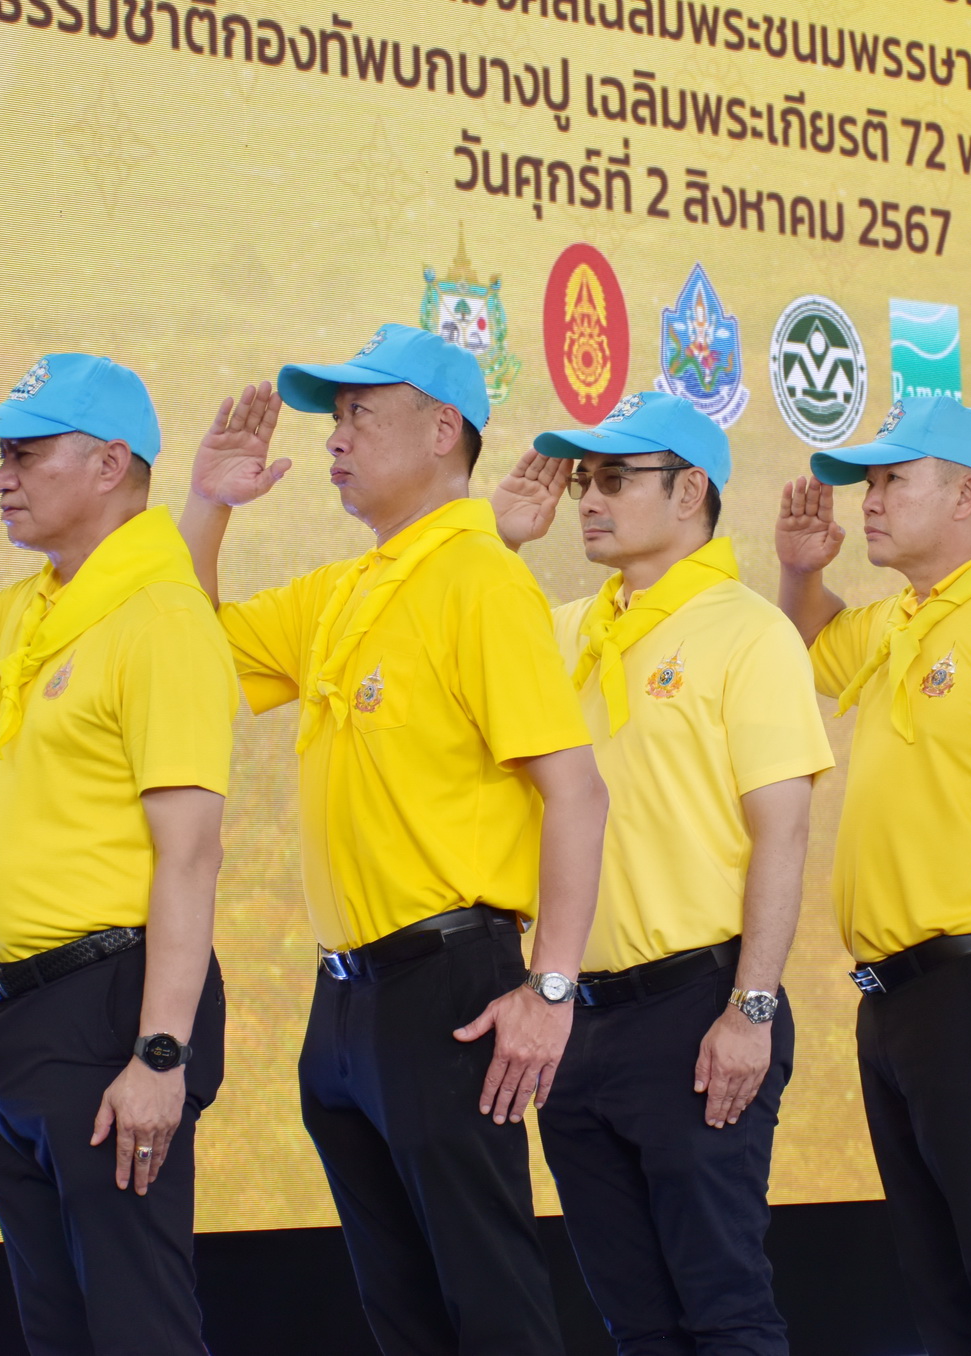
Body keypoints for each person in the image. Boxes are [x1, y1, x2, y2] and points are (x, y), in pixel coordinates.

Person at [178, 323, 607, 1356]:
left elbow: (577, 793)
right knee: (402, 1313)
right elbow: (181, 659)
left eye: (362, 413)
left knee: (492, 1306)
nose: (336, 436)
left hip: (447, 989)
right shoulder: (341, 590)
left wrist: (551, 991)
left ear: (443, 428)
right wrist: (208, 507)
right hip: (345, 1004)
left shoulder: (482, 579)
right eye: (335, 417)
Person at [0, 353, 235, 1355]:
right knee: (60, 1329)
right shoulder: (40, 609)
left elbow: (191, 855)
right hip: (21, 1019)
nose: (1, 477)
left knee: (137, 1327)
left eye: (27, 454)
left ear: (110, 464)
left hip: (111, 1009)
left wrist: (159, 1055)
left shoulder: (159, 616)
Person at [485, 390, 834, 1355]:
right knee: (634, 1322)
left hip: (697, 1011)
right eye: (584, 480)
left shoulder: (748, 630)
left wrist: (751, 1010)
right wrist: (500, 542)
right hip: (573, 1018)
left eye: (614, 478)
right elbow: (456, 635)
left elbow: (784, 834)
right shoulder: (564, 629)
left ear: (689, 492)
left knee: (724, 1310)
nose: (589, 499)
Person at [774, 397, 971, 1355]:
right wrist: (800, 571)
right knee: (937, 1281)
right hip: (893, 1000)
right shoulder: (897, 620)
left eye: (892, 480)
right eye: (868, 483)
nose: (870, 501)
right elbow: (811, 643)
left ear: (965, 495)